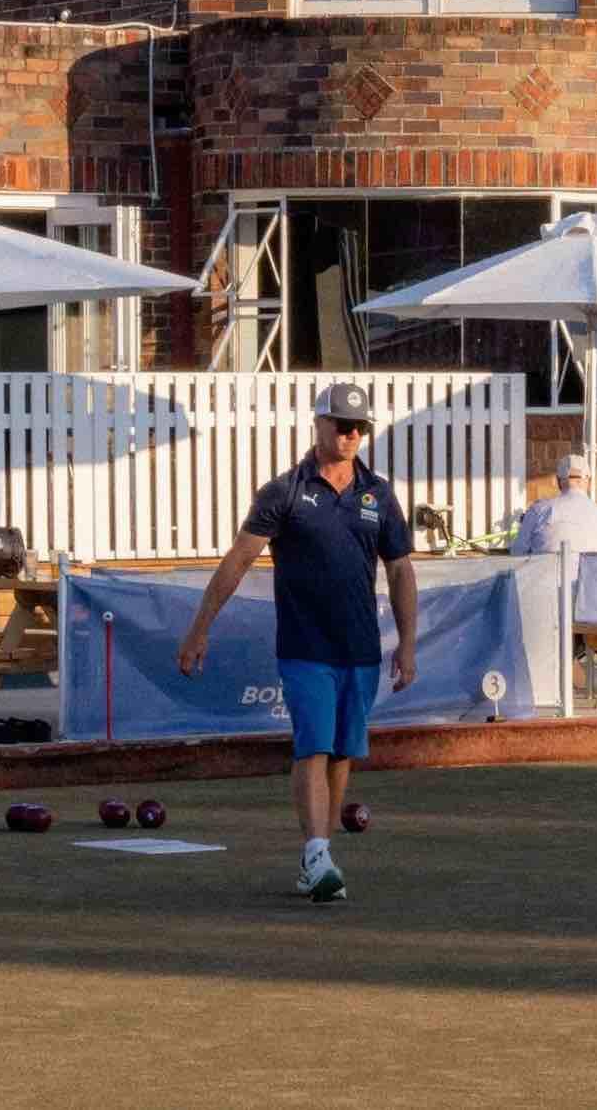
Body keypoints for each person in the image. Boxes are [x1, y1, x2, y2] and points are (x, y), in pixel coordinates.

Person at [178, 383, 415, 904]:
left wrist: (409, 643)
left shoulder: (379, 494)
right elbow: (238, 560)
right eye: (342, 425)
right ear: (320, 425)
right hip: (305, 646)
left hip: (360, 647)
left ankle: (321, 853)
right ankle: (315, 852)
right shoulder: (284, 491)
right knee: (313, 743)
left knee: (343, 752)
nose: (351, 435)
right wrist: (200, 627)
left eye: (359, 427)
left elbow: (400, 570)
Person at [511, 453, 597, 557]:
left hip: (546, 572)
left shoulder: (538, 511)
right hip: (588, 573)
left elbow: (517, 553)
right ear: (589, 481)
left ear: (558, 481)